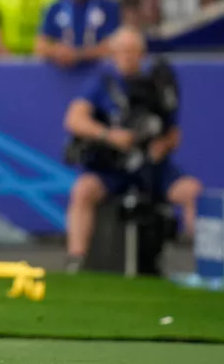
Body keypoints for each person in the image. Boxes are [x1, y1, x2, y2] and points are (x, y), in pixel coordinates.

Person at [63, 27, 201, 273]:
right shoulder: (101, 83)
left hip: (152, 167)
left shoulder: (159, 84)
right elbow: (74, 119)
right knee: (83, 190)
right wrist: (109, 135)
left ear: (142, 54)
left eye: (133, 51)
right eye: (122, 51)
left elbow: (173, 135)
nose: (127, 56)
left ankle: (203, 264)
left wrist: (162, 146)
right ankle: (76, 261)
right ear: (113, 53)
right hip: (112, 167)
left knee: (192, 192)